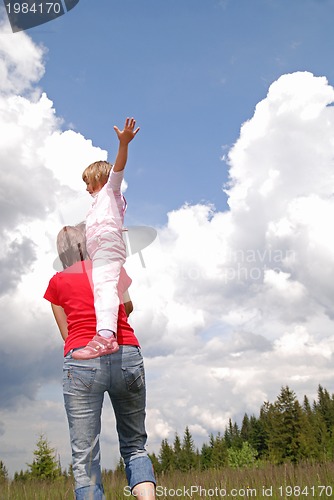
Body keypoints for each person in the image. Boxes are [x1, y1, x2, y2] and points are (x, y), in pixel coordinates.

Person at [44, 225, 156, 500]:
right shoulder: (113, 269)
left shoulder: (57, 282)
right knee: (134, 446)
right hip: (126, 353)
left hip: (83, 360)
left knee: (86, 459)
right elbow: (127, 307)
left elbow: (67, 336)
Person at [73, 117, 140, 360]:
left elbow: (118, 169)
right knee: (101, 288)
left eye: (88, 182)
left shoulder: (110, 191)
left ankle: (106, 336)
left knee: (105, 286)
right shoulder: (95, 207)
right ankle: (104, 332)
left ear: (99, 178)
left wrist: (124, 144)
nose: (86, 188)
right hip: (100, 249)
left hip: (109, 246)